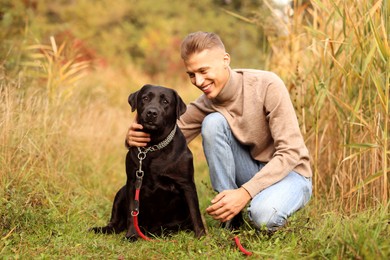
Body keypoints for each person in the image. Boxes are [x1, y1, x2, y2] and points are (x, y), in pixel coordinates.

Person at [126, 31, 312, 232]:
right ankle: (230, 218)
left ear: (225, 60)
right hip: (251, 169)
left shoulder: (267, 85)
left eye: (204, 71)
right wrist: (132, 138)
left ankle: (254, 203)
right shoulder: (205, 104)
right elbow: (168, 136)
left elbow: (291, 152)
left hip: (290, 174)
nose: (198, 81)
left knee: (263, 216)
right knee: (212, 123)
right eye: (191, 74)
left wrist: (245, 192)